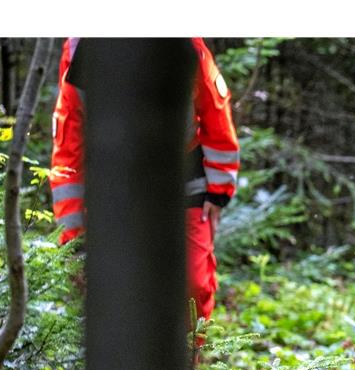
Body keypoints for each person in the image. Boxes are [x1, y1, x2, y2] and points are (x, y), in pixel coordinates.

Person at [49, 37, 240, 325]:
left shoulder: (185, 43)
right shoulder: (80, 51)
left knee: (194, 284)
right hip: (117, 181)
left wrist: (219, 190)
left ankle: (190, 364)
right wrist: (73, 237)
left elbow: (215, 110)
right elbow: (69, 150)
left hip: (184, 175)